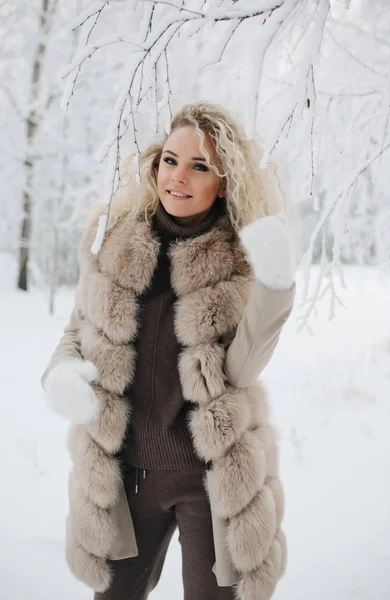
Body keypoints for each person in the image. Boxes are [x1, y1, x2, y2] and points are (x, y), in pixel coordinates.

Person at [41, 101, 297, 600]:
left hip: (212, 479)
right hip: (127, 475)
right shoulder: (115, 243)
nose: (177, 177)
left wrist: (274, 288)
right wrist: (62, 375)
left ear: (223, 182)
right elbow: (77, 330)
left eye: (199, 166)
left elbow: (240, 370)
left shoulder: (239, 261)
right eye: (170, 161)